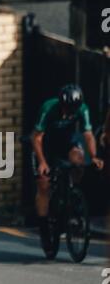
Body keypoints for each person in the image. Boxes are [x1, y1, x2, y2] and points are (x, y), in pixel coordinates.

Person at [32, 84, 103, 253]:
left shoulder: (82, 109)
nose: (67, 113)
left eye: (71, 110)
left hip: (67, 143)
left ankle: (72, 194)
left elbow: (88, 134)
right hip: (46, 145)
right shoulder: (49, 107)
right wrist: (42, 162)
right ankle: (43, 228)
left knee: (78, 159)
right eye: (65, 109)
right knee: (44, 184)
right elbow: (36, 137)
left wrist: (93, 156)